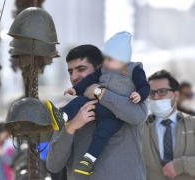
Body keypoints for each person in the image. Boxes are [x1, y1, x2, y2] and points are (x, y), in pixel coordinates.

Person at [45, 32, 150, 175]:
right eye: (70, 72)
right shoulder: (66, 113)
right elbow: (53, 165)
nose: (74, 76)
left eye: (81, 69)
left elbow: (138, 117)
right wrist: (71, 128)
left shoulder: (130, 94)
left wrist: (99, 92)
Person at [142, 70, 195, 180]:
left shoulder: (192, 123)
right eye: (151, 93)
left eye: (162, 91)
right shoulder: (140, 129)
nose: (156, 97)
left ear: (175, 95)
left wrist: (181, 165)